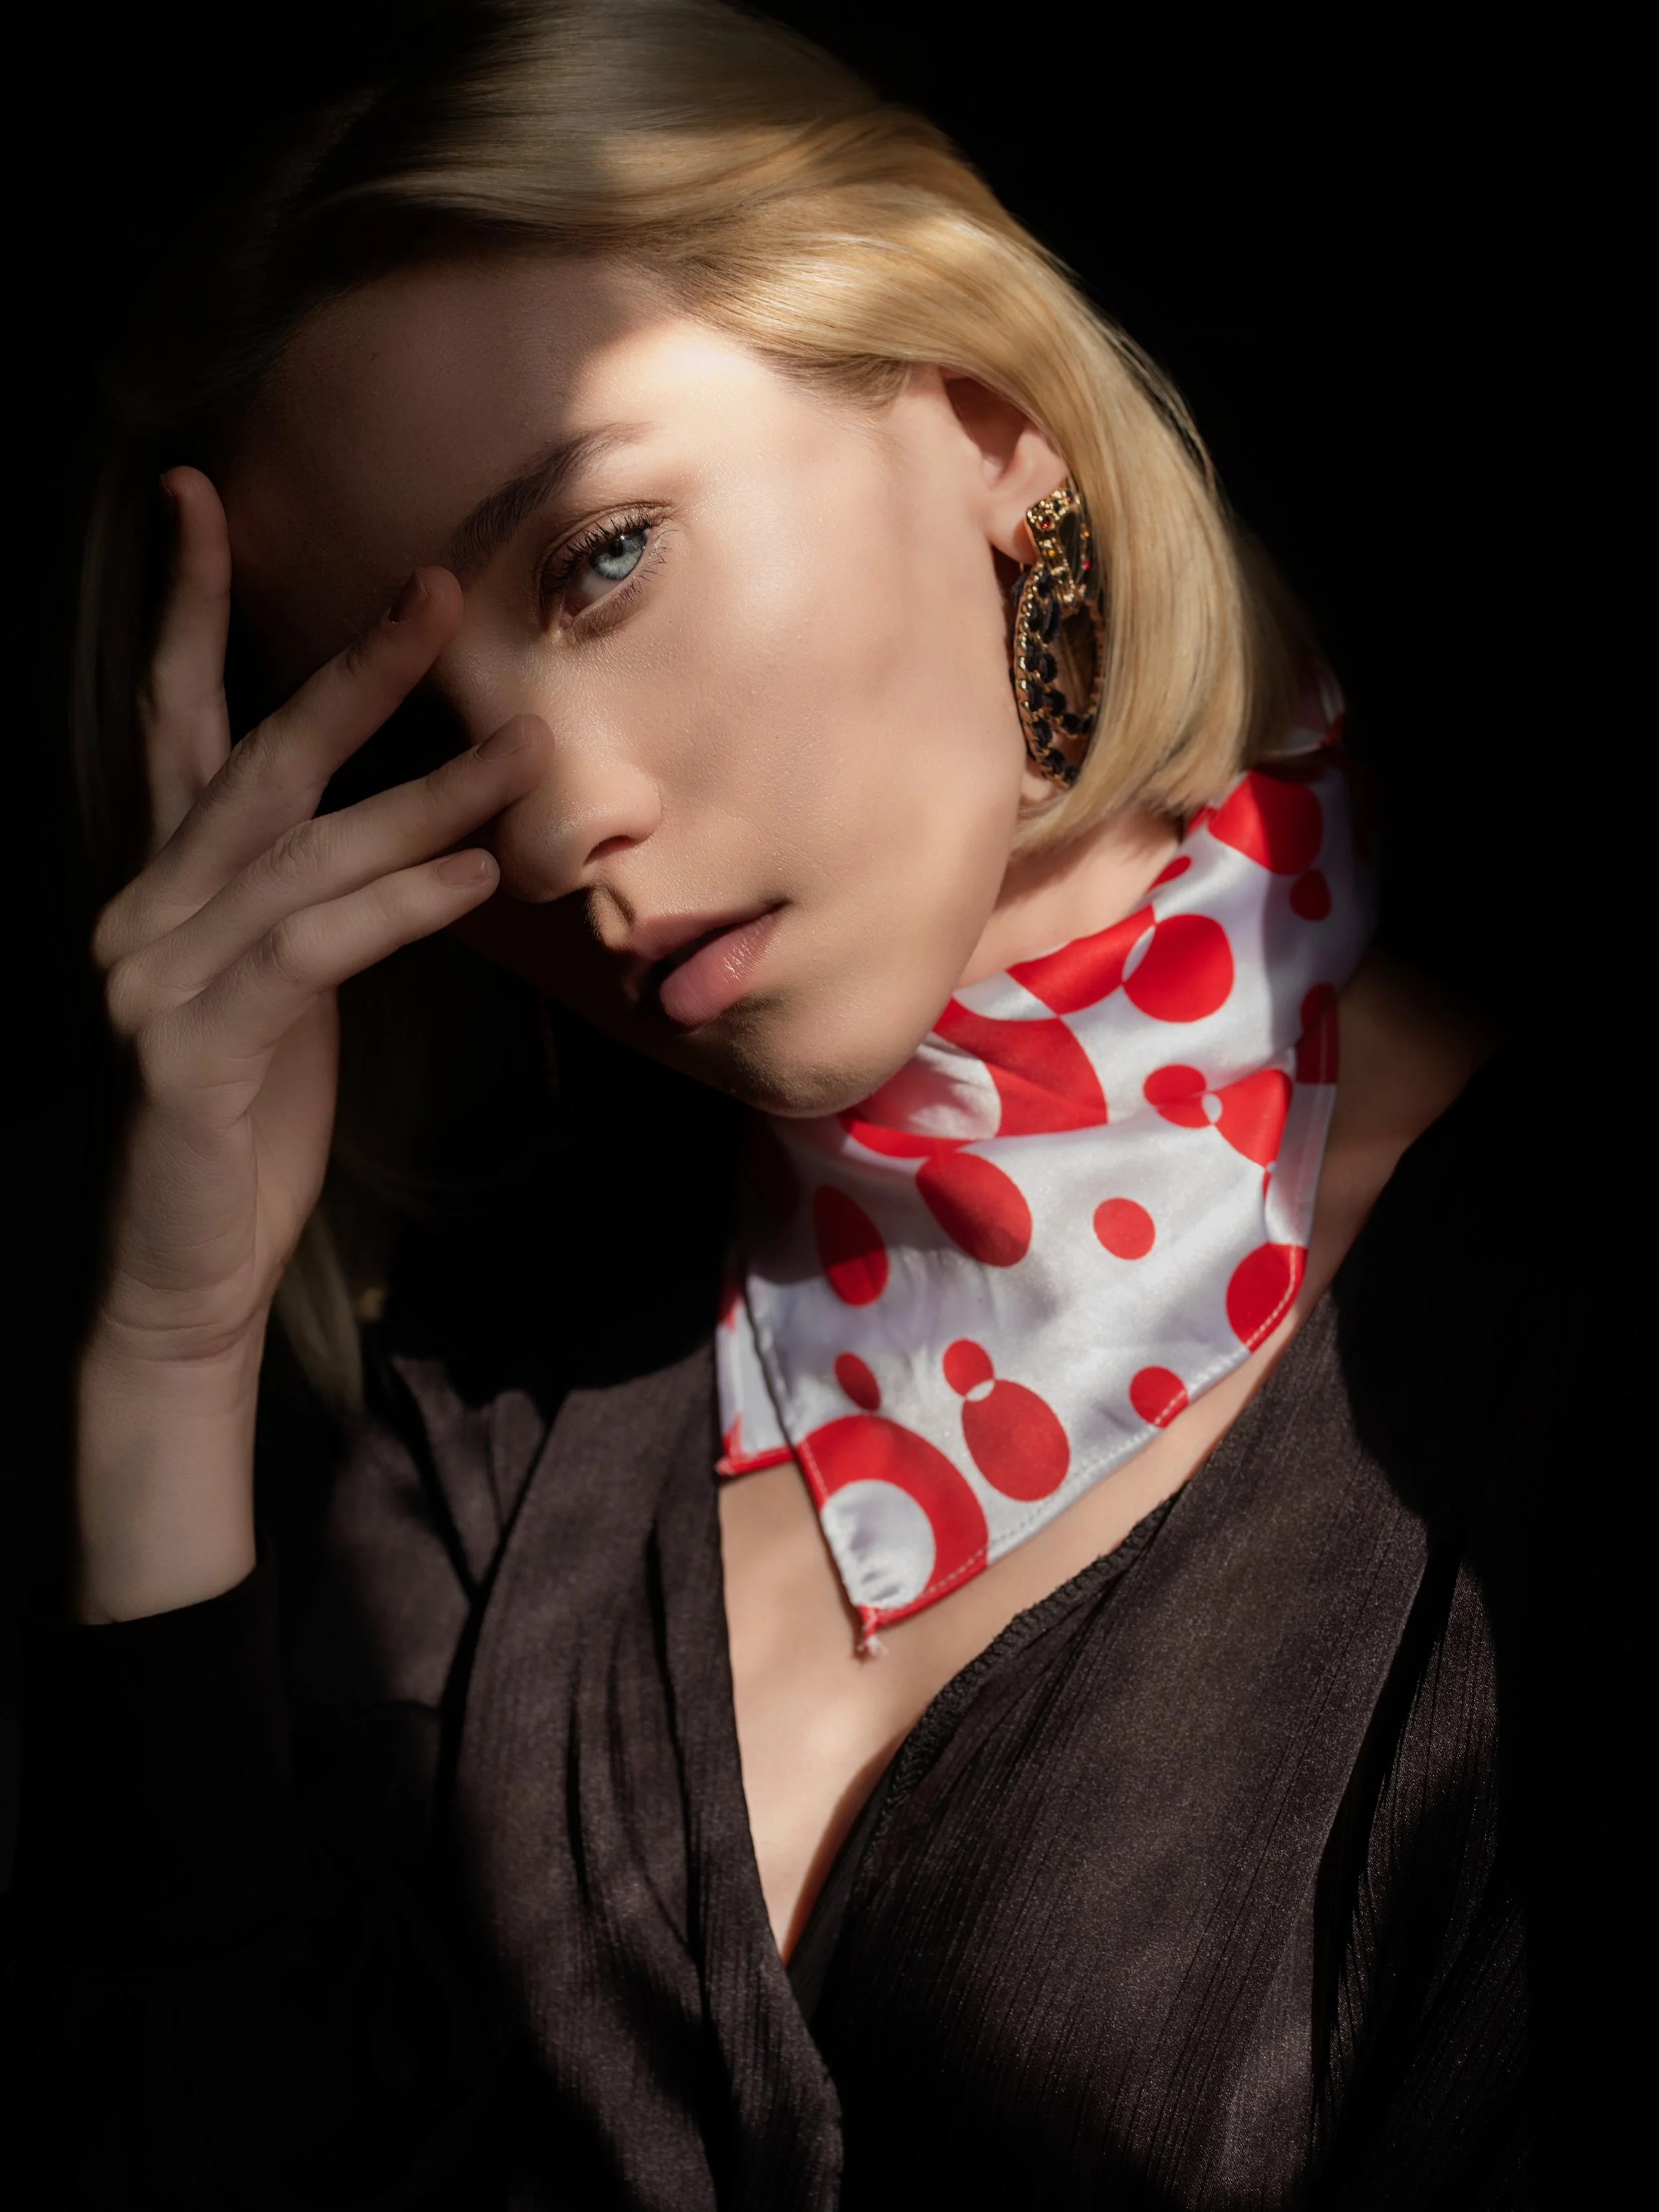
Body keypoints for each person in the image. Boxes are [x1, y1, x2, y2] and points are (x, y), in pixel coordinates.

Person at [2, 1, 1628, 2203]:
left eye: (598, 557)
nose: (552, 819)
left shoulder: (1576, 1364)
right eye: (401, 744)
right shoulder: (494, 1441)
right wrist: (170, 1363)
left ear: (986, 419)